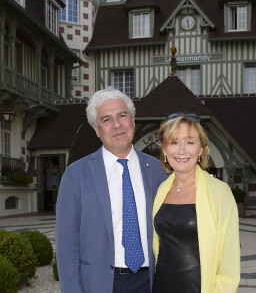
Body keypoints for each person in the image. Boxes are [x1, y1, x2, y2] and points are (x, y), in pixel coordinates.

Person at [56, 88, 167, 293]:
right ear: (97, 129)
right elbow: (66, 245)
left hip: (149, 282)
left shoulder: (160, 171)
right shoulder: (76, 175)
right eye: (106, 119)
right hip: (98, 283)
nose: (117, 125)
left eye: (122, 115)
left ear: (133, 120)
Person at [152, 113, 240, 293]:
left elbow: (229, 260)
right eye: (174, 142)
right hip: (161, 283)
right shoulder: (162, 189)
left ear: (201, 149)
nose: (182, 150)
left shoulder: (219, 192)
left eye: (190, 142)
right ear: (164, 149)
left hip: (198, 287)